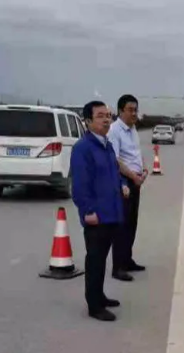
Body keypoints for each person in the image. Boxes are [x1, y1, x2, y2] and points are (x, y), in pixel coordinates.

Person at [71, 100, 130, 322]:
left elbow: (114, 172)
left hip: (112, 212)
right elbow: (79, 186)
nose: (106, 119)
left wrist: (123, 184)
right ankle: (94, 305)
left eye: (108, 115)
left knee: (102, 258)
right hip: (96, 216)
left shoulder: (107, 145)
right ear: (88, 121)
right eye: (100, 116)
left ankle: (100, 295)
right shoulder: (83, 148)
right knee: (95, 260)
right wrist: (88, 211)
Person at [108, 94, 148, 282]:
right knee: (121, 226)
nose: (134, 113)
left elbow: (136, 154)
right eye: (130, 110)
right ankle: (118, 267)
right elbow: (115, 160)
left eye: (135, 110)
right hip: (123, 183)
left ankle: (127, 259)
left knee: (132, 223)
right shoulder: (115, 131)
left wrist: (144, 169)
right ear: (120, 111)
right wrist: (133, 176)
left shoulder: (133, 129)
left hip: (135, 181)